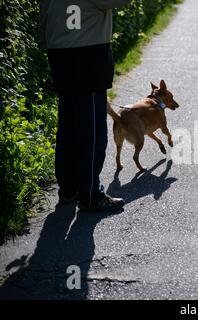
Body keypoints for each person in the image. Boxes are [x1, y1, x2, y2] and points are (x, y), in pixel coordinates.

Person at [40, 0, 132, 211]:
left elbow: (43, 23)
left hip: (59, 55)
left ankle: (68, 189)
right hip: (88, 58)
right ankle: (90, 194)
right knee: (92, 132)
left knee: (68, 128)